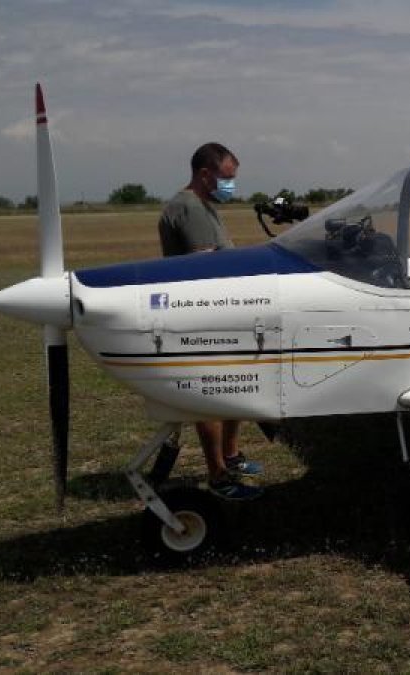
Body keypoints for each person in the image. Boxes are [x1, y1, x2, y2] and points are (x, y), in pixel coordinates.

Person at [157, 142, 263, 501]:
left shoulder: (202, 205)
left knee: (235, 385)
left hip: (220, 313)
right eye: (227, 178)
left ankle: (230, 456)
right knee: (214, 393)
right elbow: (207, 267)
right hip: (206, 317)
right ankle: (218, 474)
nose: (231, 185)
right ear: (206, 174)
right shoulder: (190, 208)